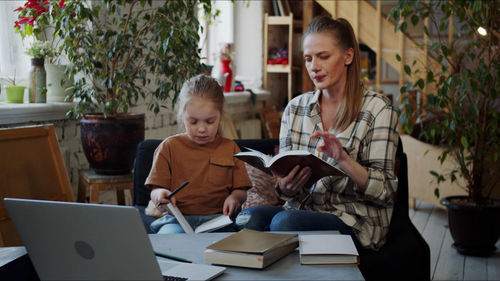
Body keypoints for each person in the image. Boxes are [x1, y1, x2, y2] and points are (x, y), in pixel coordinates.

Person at [236, 16, 399, 251]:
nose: (314, 66)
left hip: (354, 220)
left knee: (285, 223)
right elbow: (286, 193)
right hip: (304, 211)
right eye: (309, 58)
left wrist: (343, 159)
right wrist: (286, 187)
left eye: (323, 56)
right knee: (247, 219)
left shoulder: (378, 109)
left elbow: (385, 192)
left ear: (348, 56)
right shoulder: (295, 108)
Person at [146, 74, 251, 234]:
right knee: (171, 240)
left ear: (221, 116)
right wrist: (159, 195)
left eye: (210, 121)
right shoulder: (168, 147)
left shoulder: (230, 148)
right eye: (193, 122)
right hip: (177, 222)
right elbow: (156, 190)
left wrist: (235, 198)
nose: (201, 129)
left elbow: (241, 191)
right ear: (182, 116)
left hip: (219, 221)